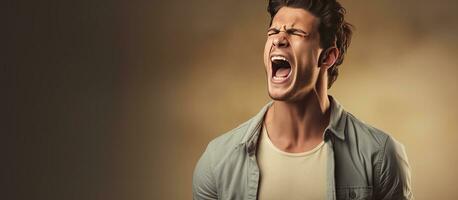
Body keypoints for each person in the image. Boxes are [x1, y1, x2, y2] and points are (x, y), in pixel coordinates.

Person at [193, 0, 413, 199]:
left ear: (327, 56)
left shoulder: (380, 156)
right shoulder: (217, 161)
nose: (279, 39)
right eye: (273, 31)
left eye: (296, 32)